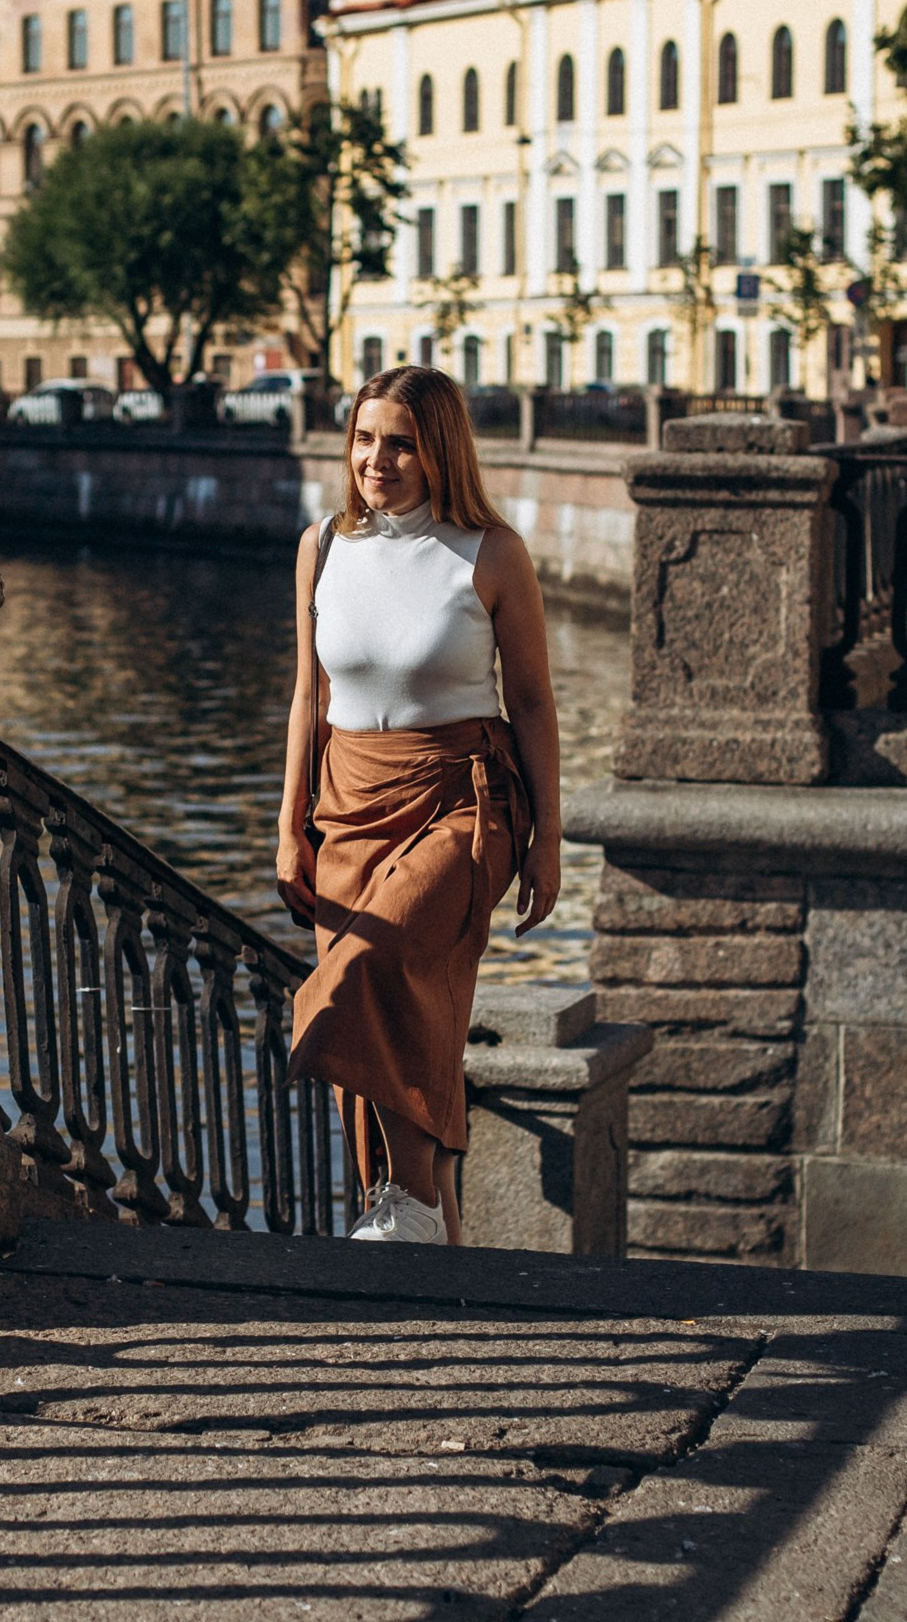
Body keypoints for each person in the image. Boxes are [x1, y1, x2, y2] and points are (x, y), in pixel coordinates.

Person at [275, 365, 563, 1247]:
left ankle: (410, 1198)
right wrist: (289, 829)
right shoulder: (321, 547)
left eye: (399, 441)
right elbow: (306, 696)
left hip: (463, 804)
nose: (377, 458)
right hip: (346, 804)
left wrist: (548, 839)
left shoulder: (490, 553)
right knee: (413, 1016)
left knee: (370, 968)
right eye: (364, 439)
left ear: (440, 448)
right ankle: (437, 1229)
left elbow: (536, 704)